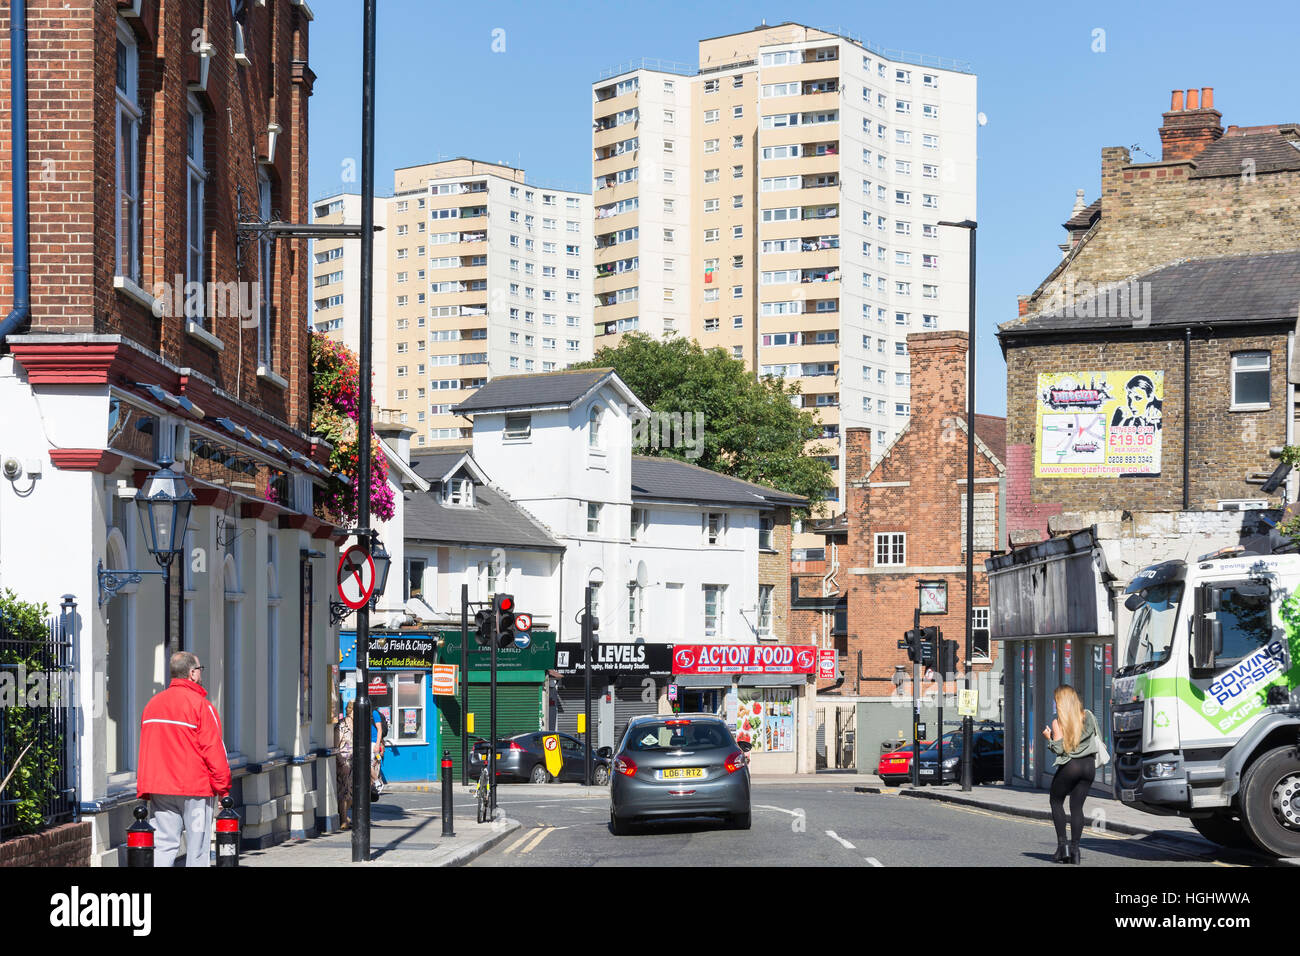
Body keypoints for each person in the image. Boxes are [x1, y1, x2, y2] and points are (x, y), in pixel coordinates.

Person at [137, 652, 232, 867]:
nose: (200, 673)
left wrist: (145, 787)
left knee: (163, 845)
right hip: (195, 788)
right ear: (192, 673)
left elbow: (147, 748)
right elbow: (213, 750)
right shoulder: (201, 706)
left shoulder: (152, 704)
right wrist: (223, 790)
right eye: (200, 669)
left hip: (160, 788)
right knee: (197, 849)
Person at [1042, 684, 1100, 864]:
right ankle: (1075, 851)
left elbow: (1059, 750)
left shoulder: (1058, 722)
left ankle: (1063, 847)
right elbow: (1097, 736)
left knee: (1056, 801)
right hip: (1089, 766)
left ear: (1060, 702)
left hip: (1071, 766)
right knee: (1077, 807)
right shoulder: (1088, 715)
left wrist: (1049, 738)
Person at [335, 701, 355, 829]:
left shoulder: (358, 725)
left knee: (352, 793)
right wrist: (342, 762)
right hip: (344, 763)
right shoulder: (341, 726)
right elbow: (336, 746)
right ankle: (343, 820)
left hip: (355, 762)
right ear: (351, 709)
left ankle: (345, 816)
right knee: (344, 792)